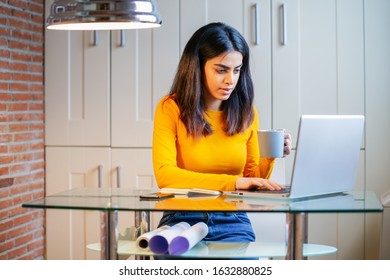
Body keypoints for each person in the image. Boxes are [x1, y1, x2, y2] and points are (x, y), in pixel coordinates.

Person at [152, 22, 292, 244]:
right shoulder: (171, 108)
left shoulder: (248, 113)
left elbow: (252, 180)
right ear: (197, 67)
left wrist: (270, 155)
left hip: (233, 218)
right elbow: (165, 176)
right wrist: (233, 182)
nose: (230, 80)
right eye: (221, 70)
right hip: (181, 217)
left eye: (237, 70)